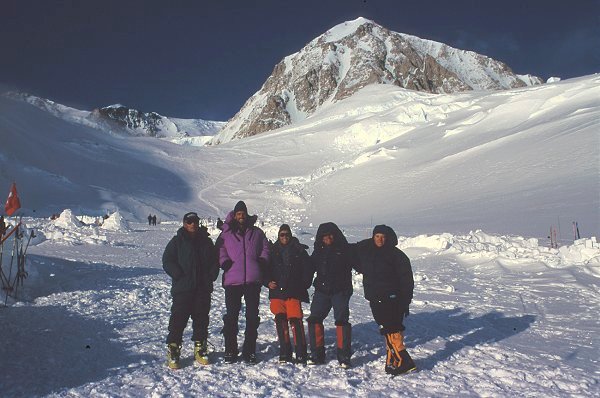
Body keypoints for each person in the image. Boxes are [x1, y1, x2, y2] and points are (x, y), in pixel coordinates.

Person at [353, 224, 416, 375]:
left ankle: (405, 361)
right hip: (376, 297)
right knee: (389, 330)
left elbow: (406, 279)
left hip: (393, 298)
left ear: (387, 238)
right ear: (372, 237)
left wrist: (405, 300)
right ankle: (392, 361)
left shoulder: (396, 255)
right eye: (377, 236)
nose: (380, 240)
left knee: (391, 328)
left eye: (383, 237)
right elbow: (353, 256)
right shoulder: (368, 253)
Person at [162, 212, 219, 369]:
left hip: (202, 288)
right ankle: (173, 349)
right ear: (184, 223)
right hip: (183, 289)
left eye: (195, 221)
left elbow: (215, 261)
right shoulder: (177, 241)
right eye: (189, 221)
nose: (192, 224)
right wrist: (178, 274)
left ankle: (200, 348)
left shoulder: (206, 242)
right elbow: (167, 260)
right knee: (178, 320)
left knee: (201, 319)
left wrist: (211, 276)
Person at [217, 201, 270, 364]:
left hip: (253, 280)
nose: (241, 216)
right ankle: (231, 350)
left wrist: (262, 260)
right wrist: (224, 262)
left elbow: (266, 247)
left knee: (252, 317)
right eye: (239, 213)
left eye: (243, 213)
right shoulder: (227, 233)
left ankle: (249, 351)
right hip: (233, 280)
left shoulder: (257, 232)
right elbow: (220, 249)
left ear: (246, 215)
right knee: (232, 316)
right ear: (235, 215)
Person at [305, 222, 355, 368]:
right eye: (324, 236)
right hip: (322, 290)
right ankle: (316, 354)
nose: (327, 238)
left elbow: (360, 262)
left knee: (341, 321)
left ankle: (344, 356)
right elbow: (309, 268)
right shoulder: (318, 251)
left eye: (330, 235)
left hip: (340, 291)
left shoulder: (345, 250)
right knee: (314, 319)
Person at [266, 224, 312, 364]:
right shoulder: (272, 251)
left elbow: (308, 269)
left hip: (293, 290)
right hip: (277, 292)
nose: (284, 237)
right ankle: (284, 351)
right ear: (278, 236)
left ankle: (300, 352)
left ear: (290, 235)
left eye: (287, 234)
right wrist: (267, 281)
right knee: (280, 320)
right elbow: (265, 269)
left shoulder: (299, 250)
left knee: (295, 320)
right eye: (282, 234)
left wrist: (304, 284)